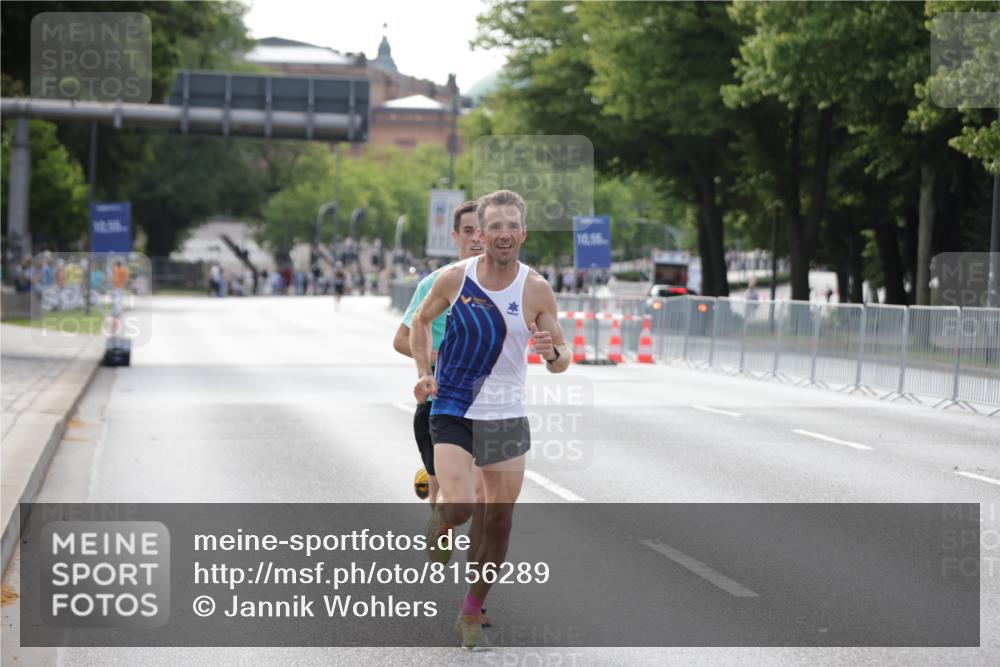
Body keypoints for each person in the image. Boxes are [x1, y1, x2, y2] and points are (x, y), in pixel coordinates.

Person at [410, 189, 570, 650]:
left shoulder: (536, 288)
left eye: (511, 226)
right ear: (480, 234)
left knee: (499, 522)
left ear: (523, 233)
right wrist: (424, 374)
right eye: (494, 226)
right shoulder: (454, 279)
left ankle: (471, 610)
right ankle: (441, 522)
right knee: (461, 508)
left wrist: (553, 353)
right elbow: (421, 322)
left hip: (506, 413)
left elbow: (561, 358)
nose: (503, 234)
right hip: (455, 407)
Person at [393, 201, 492, 627]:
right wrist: (437, 360)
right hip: (439, 405)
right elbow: (401, 338)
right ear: (455, 237)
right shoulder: (437, 284)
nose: (475, 238)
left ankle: (477, 602)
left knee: (487, 507)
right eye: (467, 231)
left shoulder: (507, 286)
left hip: (489, 408)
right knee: (448, 501)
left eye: (481, 231)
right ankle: (437, 511)